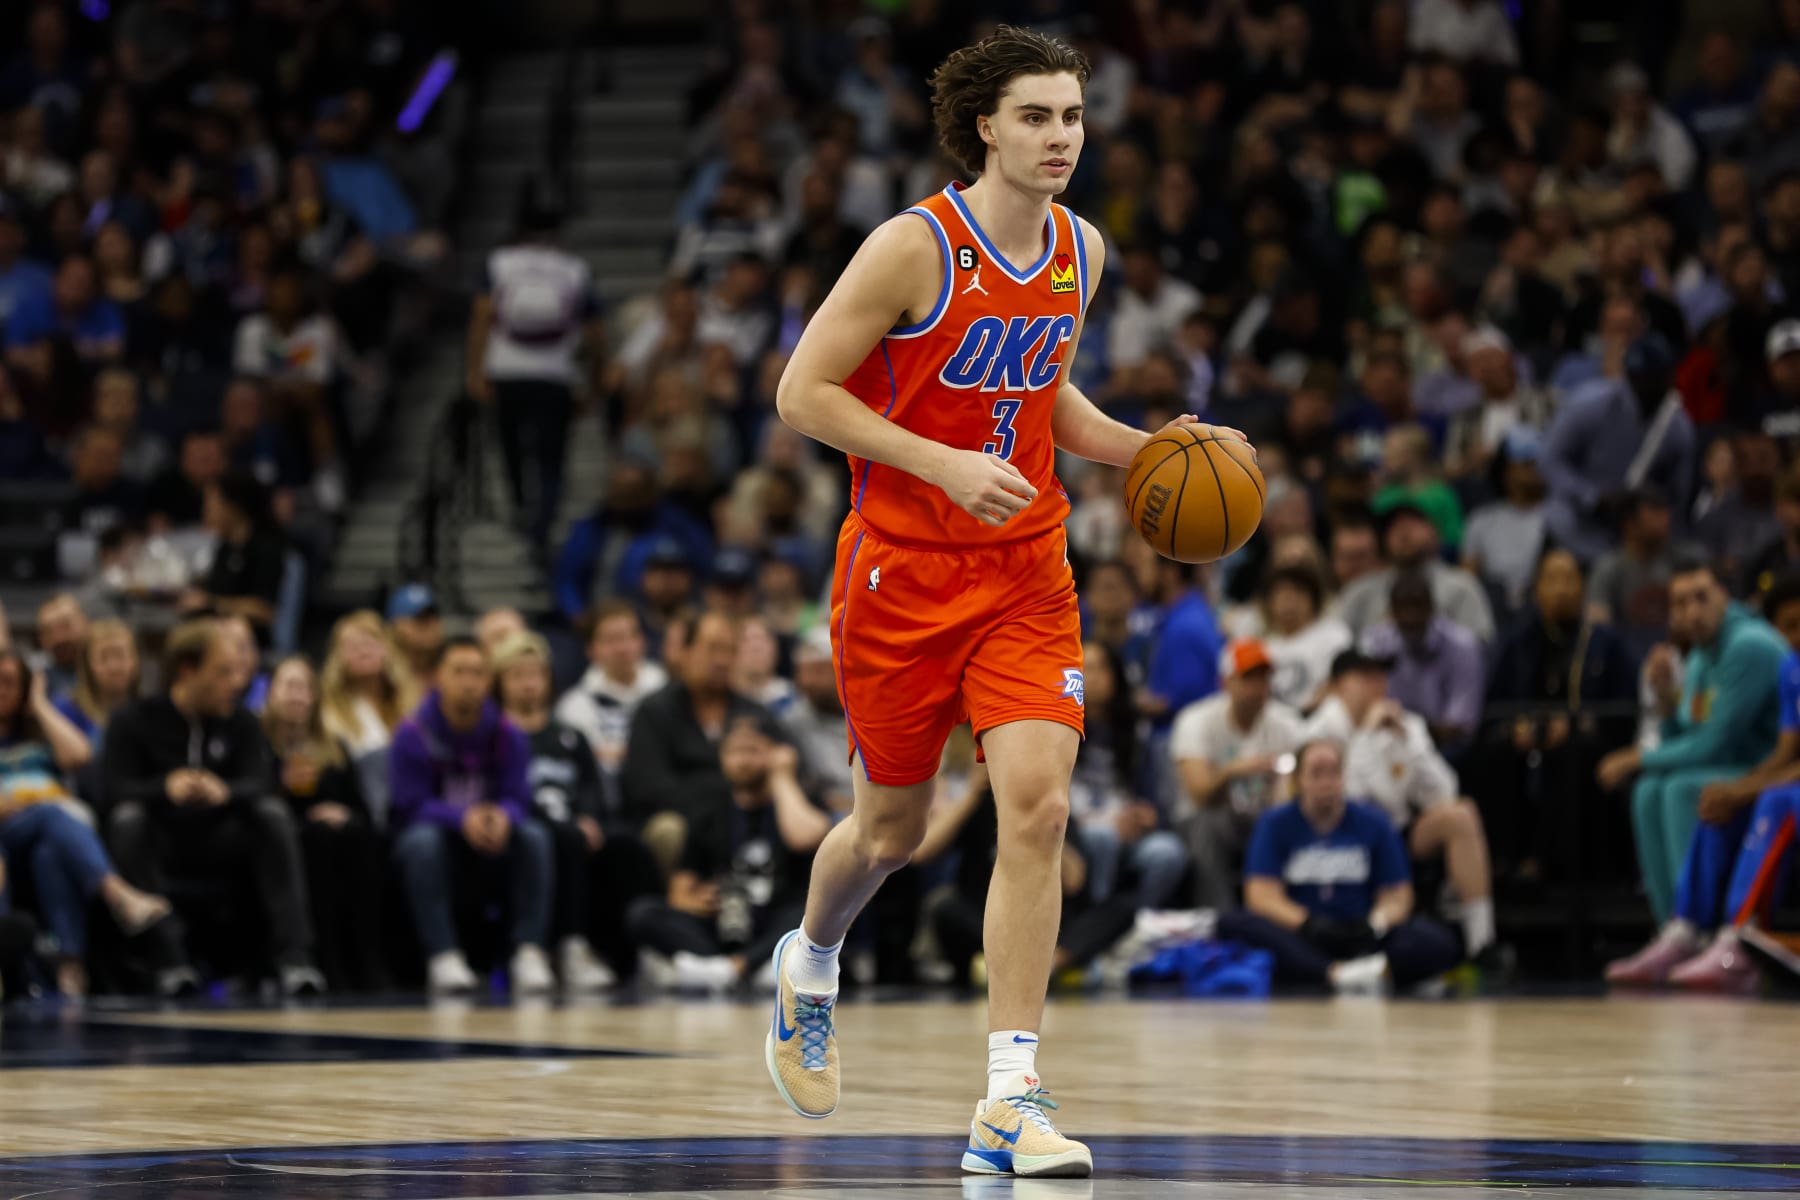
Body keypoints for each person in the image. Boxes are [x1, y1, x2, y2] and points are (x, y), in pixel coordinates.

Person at [762, 25, 1258, 1176]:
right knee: (889, 832)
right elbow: (802, 393)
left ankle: (1009, 1098)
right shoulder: (910, 248)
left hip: (1026, 570)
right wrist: (938, 464)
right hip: (899, 572)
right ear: (985, 124)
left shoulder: (1080, 250)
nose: (1060, 138)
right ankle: (812, 961)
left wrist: (1153, 454)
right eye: (1036, 116)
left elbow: (1048, 404)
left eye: (1073, 118)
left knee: (1035, 806)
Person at [102, 620, 323, 998]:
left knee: (272, 815)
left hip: (222, 839)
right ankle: (168, 961)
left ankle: (294, 959)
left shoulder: (241, 722)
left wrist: (225, 791)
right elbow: (111, 790)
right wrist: (164, 788)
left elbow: (263, 781)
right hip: (162, 839)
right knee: (127, 821)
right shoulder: (133, 720)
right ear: (188, 671)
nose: (236, 683)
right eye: (222, 672)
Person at [1606, 573, 1800, 991]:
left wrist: (1638, 756)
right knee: (1652, 791)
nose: (1692, 611)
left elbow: (1713, 746)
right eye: (1680, 603)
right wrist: (1665, 701)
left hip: (1752, 767)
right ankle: (1678, 929)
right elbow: (1692, 735)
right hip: (1758, 770)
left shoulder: (1750, 646)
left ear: (1724, 599)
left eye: (1701, 598)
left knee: (1691, 789)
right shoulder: (1702, 659)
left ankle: (1727, 936)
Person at [1215, 739, 1464, 993]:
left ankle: (1341, 971)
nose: (1326, 782)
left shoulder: (1374, 822)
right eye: (1316, 773)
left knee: (1438, 941)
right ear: (1299, 779)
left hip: (1362, 933)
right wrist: (1308, 922)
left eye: (1333, 772)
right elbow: (1261, 895)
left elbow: (1398, 894)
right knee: (1233, 923)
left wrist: (1375, 923)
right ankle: (1337, 974)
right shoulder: (1275, 824)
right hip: (1302, 934)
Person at [1306, 650, 1499, 964]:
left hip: (1394, 831)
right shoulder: (1318, 731)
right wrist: (1366, 736)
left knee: (1461, 814)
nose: (1377, 685)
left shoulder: (1406, 723)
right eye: (1365, 677)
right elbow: (1347, 800)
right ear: (1339, 685)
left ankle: (1481, 942)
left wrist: (1410, 743)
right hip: (1340, 834)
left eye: (1381, 676)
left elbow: (1443, 792)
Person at [389, 636, 555, 996]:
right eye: (459, 672)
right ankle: (443, 954)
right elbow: (409, 804)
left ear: (489, 680)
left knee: (535, 836)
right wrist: (461, 818)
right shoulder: (412, 733)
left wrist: (502, 816)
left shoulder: (508, 733)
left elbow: (518, 796)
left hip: (490, 838)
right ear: (438, 678)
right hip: (438, 842)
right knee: (421, 841)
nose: (468, 682)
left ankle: (529, 950)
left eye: (478, 673)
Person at [0, 650, 168, 997]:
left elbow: (79, 755)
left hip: (48, 831)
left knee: (50, 851)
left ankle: (69, 968)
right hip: (8, 828)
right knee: (53, 812)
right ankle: (116, 892)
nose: (1, 689)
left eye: (9, 682)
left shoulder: (36, 735)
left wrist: (40, 705)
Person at [627, 716, 829, 990]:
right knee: (644, 912)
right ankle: (741, 967)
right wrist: (697, 902)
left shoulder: (797, 800)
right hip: (726, 922)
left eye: (753, 751)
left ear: (776, 754)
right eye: (734, 752)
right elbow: (679, 892)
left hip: (776, 919)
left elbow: (805, 838)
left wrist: (782, 777)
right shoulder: (709, 811)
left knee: (812, 915)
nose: (742, 761)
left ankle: (732, 968)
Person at [466, 200, 603, 549]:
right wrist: (594, 382)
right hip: (555, 373)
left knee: (511, 446)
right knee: (551, 457)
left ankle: (521, 509)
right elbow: (595, 332)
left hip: (507, 369)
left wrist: (475, 369)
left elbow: (482, 317)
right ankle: (542, 523)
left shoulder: (500, 263)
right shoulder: (575, 269)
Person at [491, 631, 615, 993]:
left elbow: (591, 788)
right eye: (518, 675)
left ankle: (620, 952)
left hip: (571, 823)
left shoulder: (569, 735)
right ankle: (546, 948)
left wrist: (591, 816)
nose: (529, 684)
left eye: (536, 674)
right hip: (524, 825)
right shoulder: (497, 736)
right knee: (557, 836)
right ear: (500, 682)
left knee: (620, 845)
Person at [262, 657, 386, 993]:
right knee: (316, 841)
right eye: (289, 686)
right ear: (270, 693)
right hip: (283, 838)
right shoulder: (259, 742)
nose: (298, 696)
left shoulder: (334, 746)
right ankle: (325, 958)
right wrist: (283, 784)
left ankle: (366, 959)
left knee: (360, 838)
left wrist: (344, 813)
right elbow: (256, 800)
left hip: (336, 834)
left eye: (305, 688)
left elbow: (360, 805)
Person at [620, 610, 780, 869]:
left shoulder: (754, 713)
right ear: (685, 652)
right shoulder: (655, 712)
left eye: (729, 650)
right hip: (684, 823)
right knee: (668, 829)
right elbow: (647, 787)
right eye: (713, 649)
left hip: (747, 822)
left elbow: (784, 767)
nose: (722, 660)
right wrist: (722, 800)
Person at [1170, 639, 1307, 911]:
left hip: (1264, 816)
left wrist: (1285, 790)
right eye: (1248, 679)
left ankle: (1291, 914)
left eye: (1263, 679)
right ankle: (1220, 915)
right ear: (1225, 682)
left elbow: (1304, 783)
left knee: (1288, 821)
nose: (1257, 688)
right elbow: (1199, 796)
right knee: (1206, 827)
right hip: (1210, 819)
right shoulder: (1196, 720)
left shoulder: (1287, 724)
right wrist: (1231, 771)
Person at [554, 602, 670, 815]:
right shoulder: (574, 705)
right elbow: (589, 764)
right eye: (610, 640)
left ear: (642, 641)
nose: (621, 648)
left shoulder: (665, 687)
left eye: (627, 637)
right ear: (591, 649)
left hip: (663, 798)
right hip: (605, 807)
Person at [1334, 503, 1496, 643]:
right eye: (1393, 526)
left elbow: (1481, 643)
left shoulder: (1461, 586)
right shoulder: (1362, 590)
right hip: (1375, 675)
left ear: (1434, 533)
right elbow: (1333, 642)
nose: (1403, 531)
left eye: (1413, 523)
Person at [1361, 570, 1487, 748]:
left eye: (1416, 607)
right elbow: (1364, 711)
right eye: (1402, 609)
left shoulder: (1462, 646)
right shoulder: (1375, 643)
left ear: (1431, 607)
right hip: (1387, 742)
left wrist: (1409, 729)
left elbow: (1459, 727)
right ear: (1391, 611)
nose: (1409, 617)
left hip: (1444, 747)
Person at [319, 610, 419, 830]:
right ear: (339, 658)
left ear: (387, 650)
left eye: (371, 642)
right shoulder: (326, 713)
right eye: (353, 645)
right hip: (360, 810)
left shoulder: (412, 704)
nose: (364, 650)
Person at [182, 473, 287, 645]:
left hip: (250, 641)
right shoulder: (224, 547)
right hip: (216, 635)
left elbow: (264, 610)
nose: (206, 511)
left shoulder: (267, 547)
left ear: (233, 507)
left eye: (212, 504)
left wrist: (211, 603)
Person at [56, 618, 138, 747]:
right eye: (103, 658)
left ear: (134, 660)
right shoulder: (66, 708)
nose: (114, 667)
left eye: (120, 655)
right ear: (87, 665)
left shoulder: (149, 712)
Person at [32, 595, 89, 701]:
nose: (59, 638)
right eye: (48, 632)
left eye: (66, 626)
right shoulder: (35, 678)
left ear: (86, 624)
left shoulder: (112, 669)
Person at [386, 583, 444, 683]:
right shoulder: (385, 678)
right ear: (397, 626)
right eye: (421, 620)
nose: (431, 625)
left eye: (434, 617)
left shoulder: (447, 670)